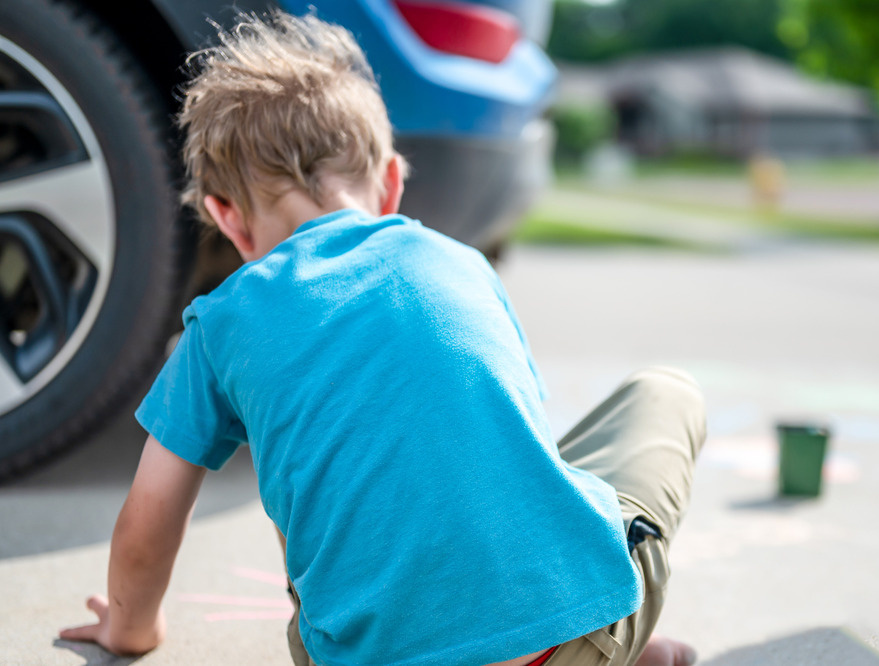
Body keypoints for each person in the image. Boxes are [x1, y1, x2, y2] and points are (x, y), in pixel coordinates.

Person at [59, 12, 706, 666]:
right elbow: (522, 452)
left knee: (331, 507)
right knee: (664, 393)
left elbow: (147, 526)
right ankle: (618, 641)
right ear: (393, 183)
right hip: (567, 642)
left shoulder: (221, 322)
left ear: (226, 218)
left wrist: (130, 631)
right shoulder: (461, 263)